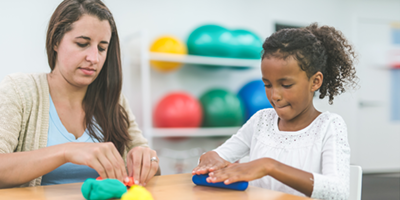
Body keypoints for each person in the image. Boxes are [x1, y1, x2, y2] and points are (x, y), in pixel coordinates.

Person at [0, 0, 159, 188]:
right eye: (82, 44)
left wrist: (148, 159)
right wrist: (67, 151)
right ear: (56, 41)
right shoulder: (19, 90)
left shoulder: (113, 100)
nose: (94, 58)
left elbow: (153, 166)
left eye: (101, 48)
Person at [192, 23, 358, 199]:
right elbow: (219, 155)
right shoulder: (261, 121)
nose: (274, 95)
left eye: (286, 85)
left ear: (315, 82)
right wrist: (210, 157)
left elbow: (338, 192)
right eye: (267, 85)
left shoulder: (329, 126)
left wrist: (270, 166)